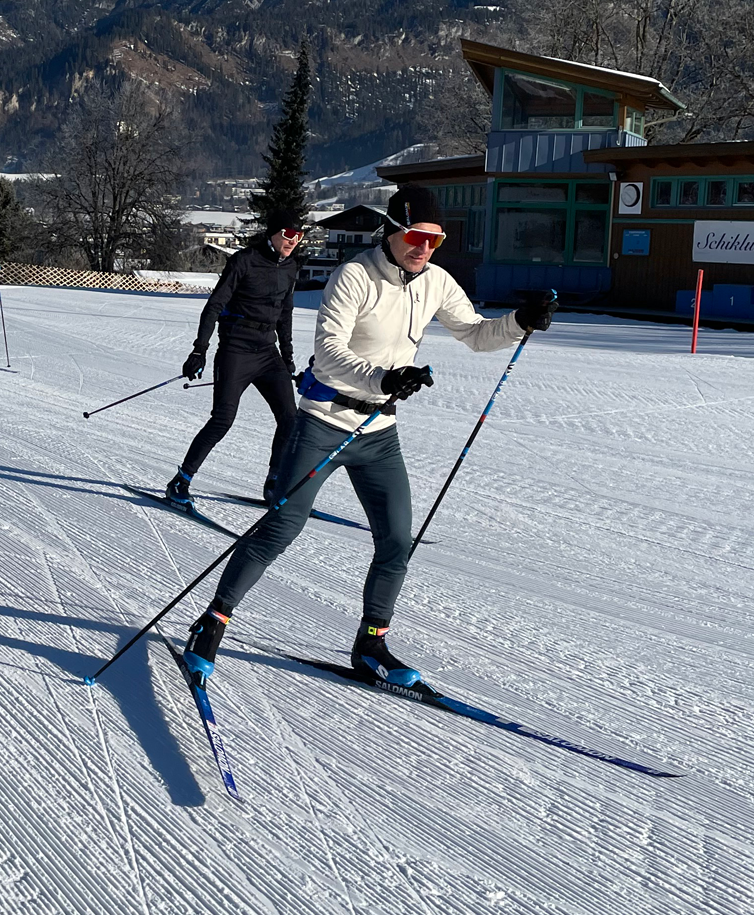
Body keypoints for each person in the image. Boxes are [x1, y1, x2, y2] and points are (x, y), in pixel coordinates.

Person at [179, 185, 556, 690]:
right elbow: (329, 352)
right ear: (394, 231)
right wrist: (384, 378)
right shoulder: (354, 276)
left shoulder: (436, 282)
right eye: (417, 237)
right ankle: (213, 621)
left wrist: (519, 323)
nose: (424, 248)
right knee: (281, 528)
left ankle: (371, 643)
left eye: (435, 240)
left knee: (398, 538)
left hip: (378, 433)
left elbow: (475, 333)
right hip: (322, 422)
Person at [164, 215, 306, 510]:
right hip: (236, 350)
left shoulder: (291, 266)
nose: (294, 240)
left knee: (290, 419)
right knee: (223, 420)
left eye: (300, 235)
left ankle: (274, 483)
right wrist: (199, 350)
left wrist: (288, 356)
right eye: (289, 233)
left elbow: (285, 313)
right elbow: (215, 304)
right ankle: (180, 481)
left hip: (268, 352)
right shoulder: (245, 260)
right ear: (274, 233)